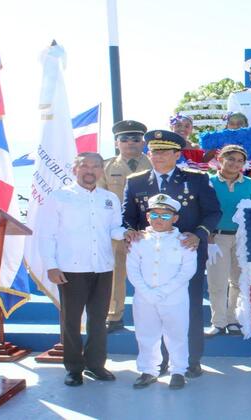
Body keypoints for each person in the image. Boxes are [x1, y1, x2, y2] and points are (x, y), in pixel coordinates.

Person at [123, 129, 221, 379]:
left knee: (190, 308)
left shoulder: (196, 179)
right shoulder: (136, 181)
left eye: (164, 152)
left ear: (177, 154)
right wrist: (132, 232)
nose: (158, 156)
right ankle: (159, 362)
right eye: (154, 151)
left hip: (185, 254)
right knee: (152, 310)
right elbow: (128, 217)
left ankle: (190, 360)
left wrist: (198, 234)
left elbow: (212, 212)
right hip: (151, 258)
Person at [38, 152, 130, 386]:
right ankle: (74, 368)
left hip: (103, 267)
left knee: (99, 319)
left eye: (96, 166)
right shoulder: (58, 197)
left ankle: (96, 365)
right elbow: (46, 234)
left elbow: (114, 229)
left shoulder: (109, 198)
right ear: (75, 169)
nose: (90, 170)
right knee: (71, 320)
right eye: (85, 166)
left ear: (101, 171)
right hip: (70, 269)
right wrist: (51, 265)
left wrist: (128, 233)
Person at [127, 194, 197, 390]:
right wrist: (147, 293)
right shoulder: (138, 240)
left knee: (177, 335)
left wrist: (163, 292)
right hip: (144, 299)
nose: (159, 220)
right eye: (154, 215)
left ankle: (178, 371)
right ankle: (148, 370)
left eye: (165, 216)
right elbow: (132, 269)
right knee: (145, 334)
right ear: (147, 217)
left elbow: (187, 271)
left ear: (175, 218)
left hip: (174, 298)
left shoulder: (185, 241)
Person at [98, 120, 153, 334]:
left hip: (149, 229)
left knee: (151, 273)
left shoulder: (154, 163)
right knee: (116, 273)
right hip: (117, 230)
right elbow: (100, 198)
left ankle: (150, 315)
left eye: (136, 139)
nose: (131, 143)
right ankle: (114, 315)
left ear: (143, 142)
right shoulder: (106, 166)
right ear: (116, 143)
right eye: (125, 139)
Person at [205, 145, 251, 337]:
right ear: (220, 160)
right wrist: (208, 236)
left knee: (238, 281)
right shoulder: (208, 182)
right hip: (216, 237)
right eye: (231, 159)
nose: (235, 164)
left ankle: (232, 320)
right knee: (217, 281)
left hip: (241, 239)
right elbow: (202, 210)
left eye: (240, 161)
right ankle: (218, 322)